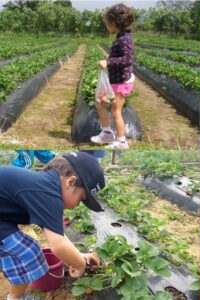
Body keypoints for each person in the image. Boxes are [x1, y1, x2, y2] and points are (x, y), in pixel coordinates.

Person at [0, 152, 105, 300]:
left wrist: (78, 256)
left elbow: (58, 235)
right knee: (27, 251)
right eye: (81, 199)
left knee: (25, 252)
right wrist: (80, 264)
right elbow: (58, 245)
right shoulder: (48, 194)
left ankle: (15, 297)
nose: (76, 205)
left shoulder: (46, 186)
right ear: (70, 182)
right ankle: (15, 298)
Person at [91, 3, 135, 149]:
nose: (106, 26)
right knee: (100, 102)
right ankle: (107, 133)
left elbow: (128, 59)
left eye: (107, 24)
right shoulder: (121, 37)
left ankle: (122, 141)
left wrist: (108, 62)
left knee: (116, 111)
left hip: (122, 82)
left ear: (115, 23)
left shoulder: (125, 39)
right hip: (114, 80)